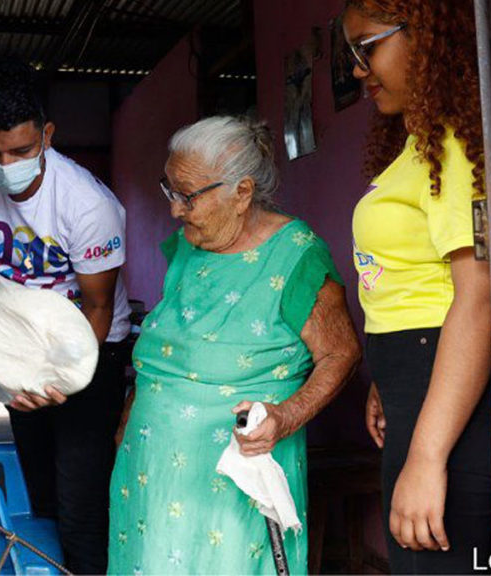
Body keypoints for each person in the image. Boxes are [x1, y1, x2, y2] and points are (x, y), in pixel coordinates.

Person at [108, 116, 362, 574]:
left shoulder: (295, 254)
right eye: (170, 191)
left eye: (187, 196)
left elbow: (340, 354)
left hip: (235, 479)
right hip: (151, 472)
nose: (175, 210)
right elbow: (169, 344)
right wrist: (133, 406)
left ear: (242, 192)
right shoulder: (188, 245)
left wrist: (285, 417)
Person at [0, 58, 131, 574]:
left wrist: (64, 377)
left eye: (21, 150)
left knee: (81, 501)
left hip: (89, 347)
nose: (6, 164)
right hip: (16, 343)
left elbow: (98, 306)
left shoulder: (87, 204)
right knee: (42, 492)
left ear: (47, 134)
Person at [342, 1, 491, 573]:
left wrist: (428, 457)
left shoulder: (453, 144)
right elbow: (413, 286)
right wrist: (389, 381)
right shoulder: (417, 143)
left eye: (368, 46)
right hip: (420, 389)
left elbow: (476, 297)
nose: (359, 68)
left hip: (448, 414)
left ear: (425, 37)